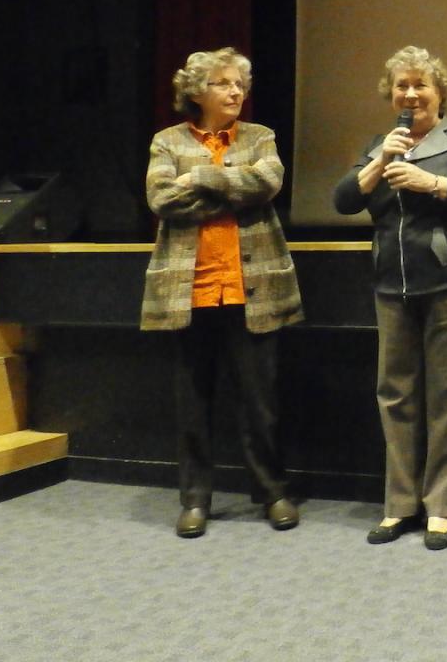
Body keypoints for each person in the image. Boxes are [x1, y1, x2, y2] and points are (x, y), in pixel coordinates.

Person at [333, 46, 447, 550]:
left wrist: (434, 183)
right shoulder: (380, 144)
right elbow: (344, 201)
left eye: (420, 85)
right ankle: (400, 505)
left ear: (440, 93)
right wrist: (380, 161)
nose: (410, 94)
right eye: (402, 87)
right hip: (392, 284)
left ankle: (443, 508)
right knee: (396, 395)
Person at [141, 47, 304, 539]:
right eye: (223, 83)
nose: (235, 92)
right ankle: (195, 500)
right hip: (189, 293)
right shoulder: (167, 141)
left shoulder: (260, 137)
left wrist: (202, 177)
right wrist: (229, 187)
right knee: (192, 401)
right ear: (197, 91)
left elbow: (266, 182)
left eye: (239, 84)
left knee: (261, 402)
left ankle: (273, 492)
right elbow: (162, 198)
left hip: (250, 291)